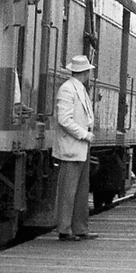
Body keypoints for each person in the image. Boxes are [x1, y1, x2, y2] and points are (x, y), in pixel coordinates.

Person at [53, 55, 98, 241]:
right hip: (73, 145)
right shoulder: (67, 90)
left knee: (80, 189)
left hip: (81, 147)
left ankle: (80, 228)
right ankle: (64, 229)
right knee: (68, 189)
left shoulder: (78, 88)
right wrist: (84, 134)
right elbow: (64, 120)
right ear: (85, 72)